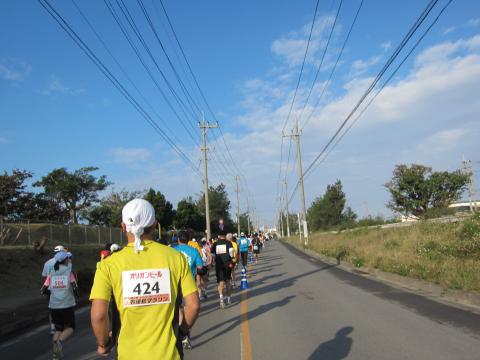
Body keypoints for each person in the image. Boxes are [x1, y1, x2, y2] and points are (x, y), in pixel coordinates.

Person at [90, 199, 200, 360]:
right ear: (155, 225)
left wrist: (103, 343)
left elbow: (99, 315)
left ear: (123, 227)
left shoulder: (108, 264)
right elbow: (194, 305)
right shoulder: (175, 257)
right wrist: (182, 332)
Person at [41, 250, 79, 359]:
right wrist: (76, 292)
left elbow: (43, 289)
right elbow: (75, 286)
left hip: (53, 306)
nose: (69, 260)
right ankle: (59, 343)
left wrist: (53, 291)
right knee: (70, 327)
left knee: (58, 329)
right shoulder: (69, 271)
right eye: (68, 258)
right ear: (65, 260)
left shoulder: (51, 271)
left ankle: (56, 354)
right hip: (66, 304)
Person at [42, 244, 68, 335]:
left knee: (52, 309)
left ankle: (53, 327)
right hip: (63, 289)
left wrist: (45, 287)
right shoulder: (66, 262)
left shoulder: (47, 263)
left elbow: (45, 277)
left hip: (51, 290)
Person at [211, 232, 234, 309]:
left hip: (219, 265)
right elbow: (231, 253)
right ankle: (228, 299)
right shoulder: (228, 242)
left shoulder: (215, 244)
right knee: (228, 281)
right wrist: (232, 260)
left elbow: (212, 255)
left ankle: (221, 300)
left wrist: (213, 262)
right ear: (225, 235)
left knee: (221, 282)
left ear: (218, 235)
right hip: (228, 264)